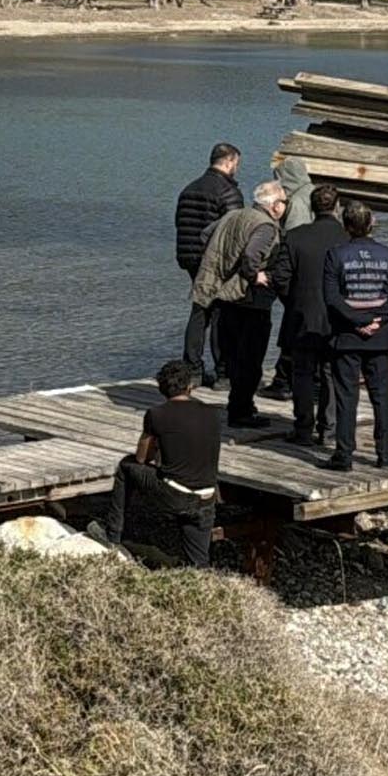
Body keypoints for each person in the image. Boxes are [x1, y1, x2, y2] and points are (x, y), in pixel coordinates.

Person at [318, 200, 388, 473]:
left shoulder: (336, 255)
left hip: (347, 336)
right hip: (379, 337)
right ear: (372, 224)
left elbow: (332, 298)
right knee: (381, 396)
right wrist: (377, 318)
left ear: (346, 226)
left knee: (347, 397)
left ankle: (344, 455)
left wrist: (358, 321)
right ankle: (385, 453)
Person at [110, 359, 223, 568]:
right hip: (208, 496)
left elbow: (142, 458)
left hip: (176, 496)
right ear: (191, 386)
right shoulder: (214, 413)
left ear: (162, 389)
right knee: (198, 563)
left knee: (126, 467)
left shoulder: (156, 414)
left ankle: (113, 537)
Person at [267, 184, 346, 448]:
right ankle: (329, 429)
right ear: (336, 207)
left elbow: (280, 278)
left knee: (301, 373)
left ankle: (303, 428)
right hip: (337, 318)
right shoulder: (347, 238)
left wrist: (294, 301)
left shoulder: (296, 236)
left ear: (311, 208)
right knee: (330, 374)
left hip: (302, 315)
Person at [206, 182, 287, 426]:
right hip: (252, 300)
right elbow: (252, 255)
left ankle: (240, 404)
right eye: (284, 201)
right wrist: (254, 275)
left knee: (233, 354)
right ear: (274, 206)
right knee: (251, 358)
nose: (285, 206)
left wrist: (224, 265)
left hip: (228, 296)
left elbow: (206, 235)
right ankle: (241, 411)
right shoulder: (266, 226)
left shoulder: (235, 214)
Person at [173, 143, 245, 381]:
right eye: (236, 163)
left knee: (200, 310)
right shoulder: (228, 192)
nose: (237, 168)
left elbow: (179, 223)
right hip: (215, 260)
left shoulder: (189, 189)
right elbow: (236, 230)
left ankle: (192, 366)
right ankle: (223, 369)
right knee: (220, 314)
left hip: (190, 256)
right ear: (228, 161)